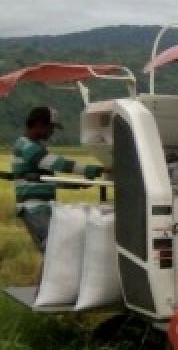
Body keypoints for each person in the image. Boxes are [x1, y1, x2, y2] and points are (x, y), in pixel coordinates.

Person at [10, 106, 107, 251]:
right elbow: (60, 164)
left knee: (53, 254)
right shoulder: (27, 146)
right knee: (53, 251)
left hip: (41, 207)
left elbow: (44, 179)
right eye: (50, 127)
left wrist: (75, 184)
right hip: (34, 208)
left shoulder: (34, 146)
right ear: (38, 124)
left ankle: (46, 275)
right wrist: (96, 169)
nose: (52, 132)